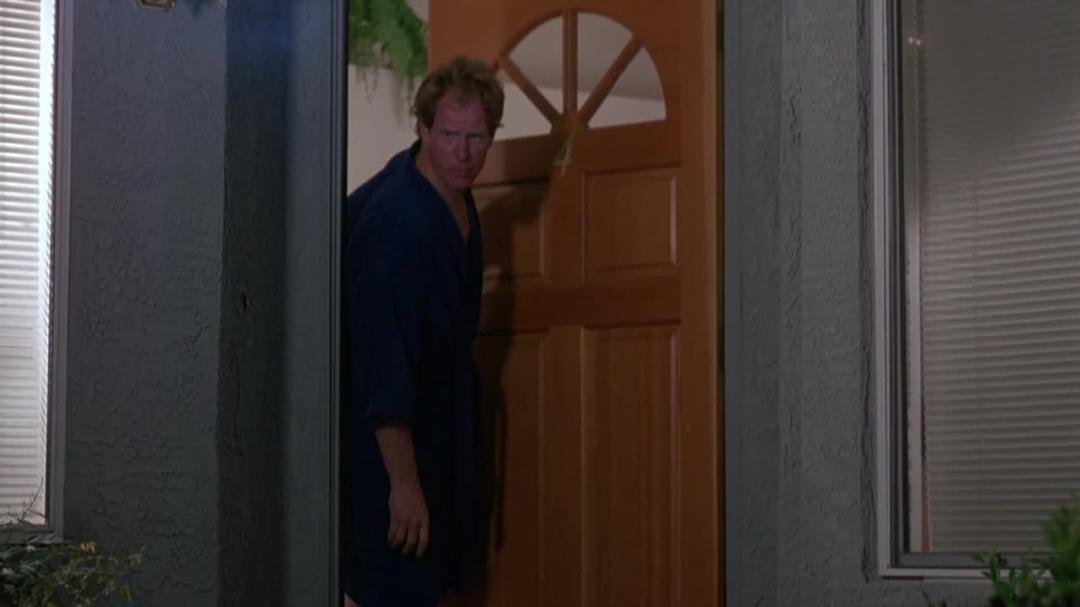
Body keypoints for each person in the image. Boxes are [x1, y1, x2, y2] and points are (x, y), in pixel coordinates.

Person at [341, 56, 505, 607]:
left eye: (476, 137)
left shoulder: (455, 199)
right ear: (424, 129)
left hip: (440, 429)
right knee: (396, 582)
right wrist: (403, 484)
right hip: (387, 447)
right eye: (451, 135)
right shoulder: (396, 224)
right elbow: (383, 368)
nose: (464, 152)